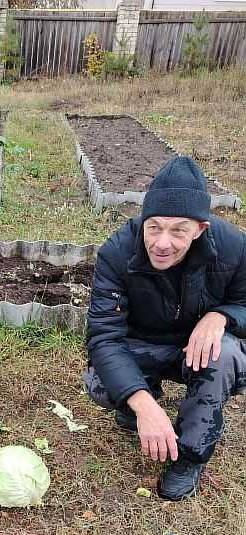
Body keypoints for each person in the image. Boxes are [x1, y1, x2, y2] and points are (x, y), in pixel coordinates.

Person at [84, 156, 246, 500]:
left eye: (178, 231)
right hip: (143, 344)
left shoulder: (233, 247)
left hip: (197, 350)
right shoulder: (117, 252)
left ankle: (189, 455)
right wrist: (143, 404)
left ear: (201, 229)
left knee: (226, 353)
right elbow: (104, 337)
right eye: (154, 226)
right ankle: (142, 401)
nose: (161, 243)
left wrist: (223, 316)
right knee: (100, 378)